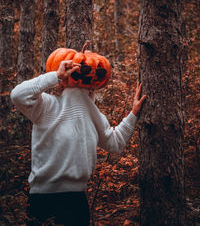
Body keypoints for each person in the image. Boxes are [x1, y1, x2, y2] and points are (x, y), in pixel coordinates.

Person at [10, 60, 146, 226]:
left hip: (76, 199)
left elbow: (115, 143)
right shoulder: (47, 105)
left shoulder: (92, 113)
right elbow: (18, 95)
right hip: (43, 198)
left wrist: (133, 114)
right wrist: (56, 76)